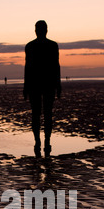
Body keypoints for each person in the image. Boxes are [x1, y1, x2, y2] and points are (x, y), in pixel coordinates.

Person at [24, 20, 61, 157]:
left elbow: (56, 66)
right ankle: (42, 141)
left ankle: (42, 141)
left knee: (40, 114)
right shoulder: (47, 46)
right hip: (42, 84)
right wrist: (58, 84)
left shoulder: (36, 46)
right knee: (43, 114)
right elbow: (28, 67)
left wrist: (58, 84)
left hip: (42, 84)